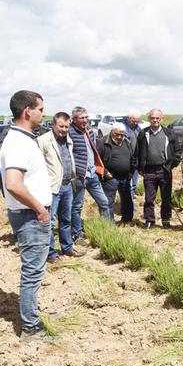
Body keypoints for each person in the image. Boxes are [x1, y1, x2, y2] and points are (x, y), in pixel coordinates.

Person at [0, 90, 54, 341]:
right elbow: (13, 183)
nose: (44, 113)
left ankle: (31, 315)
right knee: (32, 272)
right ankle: (31, 328)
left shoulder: (21, 138)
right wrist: (40, 208)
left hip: (29, 215)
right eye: (41, 109)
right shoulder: (19, 142)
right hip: (31, 217)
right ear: (27, 111)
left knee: (34, 270)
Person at [37, 111, 77, 263]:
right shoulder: (43, 140)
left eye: (67, 127)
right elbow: (38, 166)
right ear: (53, 125)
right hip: (52, 188)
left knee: (66, 219)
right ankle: (50, 253)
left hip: (67, 185)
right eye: (61, 126)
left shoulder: (68, 140)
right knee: (50, 222)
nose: (64, 129)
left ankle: (67, 248)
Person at [68, 106, 111, 244]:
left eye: (86, 117)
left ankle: (107, 229)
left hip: (92, 174)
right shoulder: (69, 132)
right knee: (77, 207)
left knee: (104, 202)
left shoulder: (90, 131)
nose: (85, 120)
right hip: (79, 176)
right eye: (82, 118)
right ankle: (77, 235)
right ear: (74, 119)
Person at [136, 108, 181, 229]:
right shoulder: (143, 133)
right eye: (152, 118)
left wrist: (172, 164)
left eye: (157, 118)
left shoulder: (169, 133)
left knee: (166, 197)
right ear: (149, 119)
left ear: (162, 119)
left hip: (164, 170)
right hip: (149, 170)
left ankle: (165, 220)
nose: (155, 120)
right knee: (149, 198)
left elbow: (177, 151)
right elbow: (138, 151)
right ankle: (149, 220)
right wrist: (140, 167)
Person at [97, 122, 135, 224]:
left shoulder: (127, 141)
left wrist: (131, 171)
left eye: (121, 134)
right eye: (116, 134)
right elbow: (97, 160)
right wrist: (105, 173)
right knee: (108, 201)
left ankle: (127, 220)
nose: (119, 137)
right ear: (112, 131)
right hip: (110, 177)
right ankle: (108, 223)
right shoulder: (102, 142)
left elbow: (132, 158)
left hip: (125, 177)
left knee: (127, 200)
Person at [122, 110, 142, 211]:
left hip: (136, 161)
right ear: (129, 118)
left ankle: (129, 205)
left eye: (137, 120)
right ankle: (129, 207)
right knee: (128, 185)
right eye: (133, 120)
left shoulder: (137, 127)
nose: (135, 122)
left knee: (133, 185)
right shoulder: (124, 128)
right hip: (127, 162)